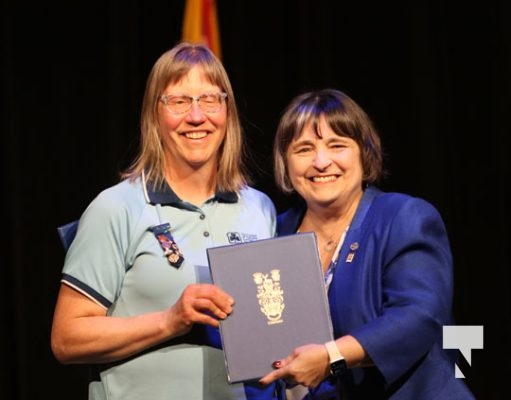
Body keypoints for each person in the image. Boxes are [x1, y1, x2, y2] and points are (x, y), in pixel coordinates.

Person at [51, 42, 281, 400]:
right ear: (154, 114)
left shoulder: (259, 208)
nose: (196, 116)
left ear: (227, 111)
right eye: (178, 101)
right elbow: (66, 339)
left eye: (209, 99)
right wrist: (171, 320)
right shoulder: (117, 207)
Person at [259, 89, 475, 399]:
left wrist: (331, 357)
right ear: (285, 162)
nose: (321, 162)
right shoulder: (273, 233)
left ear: (364, 153)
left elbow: (418, 315)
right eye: (304, 149)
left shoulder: (403, 216)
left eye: (337, 145)